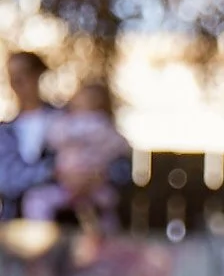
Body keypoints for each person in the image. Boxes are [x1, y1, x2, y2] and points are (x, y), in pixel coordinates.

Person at [20, 81, 130, 227]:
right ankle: (42, 235)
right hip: (67, 185)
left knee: (105, 209)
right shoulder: (68, 123)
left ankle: (106, 242)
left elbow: (120, 149)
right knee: (37, 200)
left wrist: (96, 175)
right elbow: (122, 146)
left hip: (94, 186)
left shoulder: (96, 125)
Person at [0, 50, 58, 218]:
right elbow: (6, 180)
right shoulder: (5, 132)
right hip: (15, 225)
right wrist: (52, 172)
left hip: (65, 222)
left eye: (23, 74)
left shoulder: (64, 121)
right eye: (12, 77)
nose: (18, 82)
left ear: (38, 74)